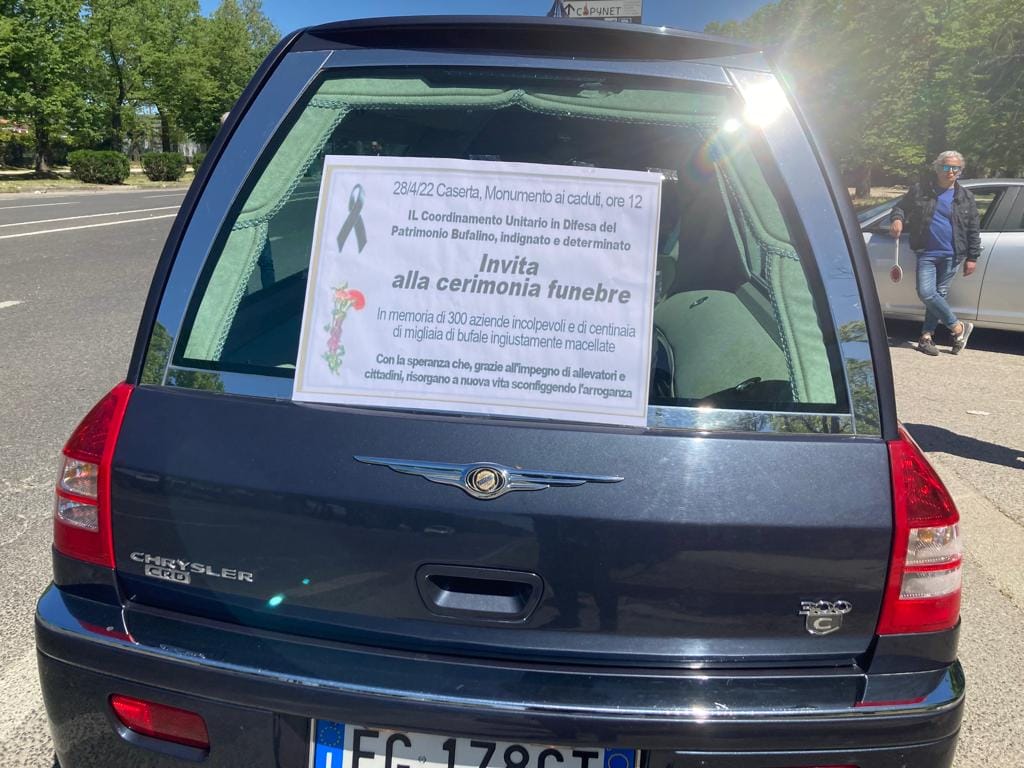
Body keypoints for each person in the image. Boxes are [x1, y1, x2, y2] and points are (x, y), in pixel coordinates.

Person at [889, 150, 980, 356]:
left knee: (938, 293)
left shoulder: (965, 197)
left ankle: (926, 337)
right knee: (926, 292)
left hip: (953, 254)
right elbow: (900, 207)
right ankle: (958, 328)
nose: (951, 171)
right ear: (937, 168)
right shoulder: (921, 190)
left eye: (956, 168)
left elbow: (973, 229)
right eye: (946, 167)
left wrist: (972, 257)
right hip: (927, 252)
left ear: (960, 170)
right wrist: (897, 219)